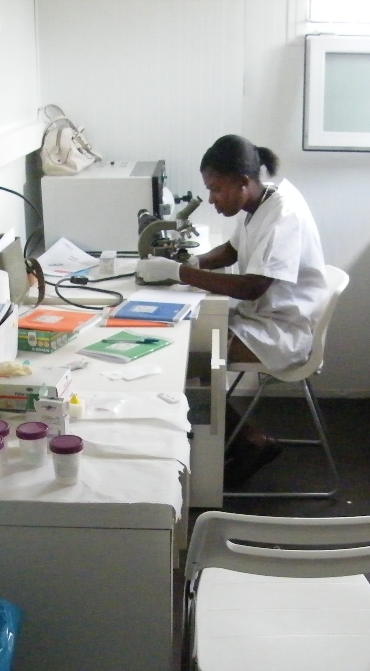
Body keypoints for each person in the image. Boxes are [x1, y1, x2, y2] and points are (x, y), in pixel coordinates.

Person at [136, 134, 330, 485]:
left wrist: (180, 273)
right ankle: (233, 438)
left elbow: (252, 286)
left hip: (284, 331)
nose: (211, 199)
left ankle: (247, 442)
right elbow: (232, 249)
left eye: (216, 189)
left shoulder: (283, 213)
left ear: (242, 182)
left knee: (188, 355)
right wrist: (196, 262)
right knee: (191, 344)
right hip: (264, 316)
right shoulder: (259, 202)